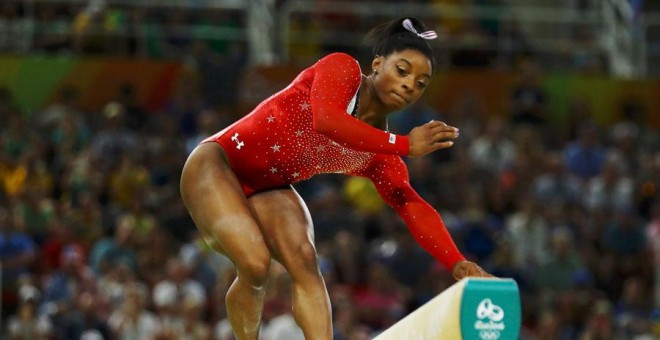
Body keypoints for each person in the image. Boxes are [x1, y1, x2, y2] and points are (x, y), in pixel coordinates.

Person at [180, 17, 492, 340]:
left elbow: (409, 203)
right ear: (376, 64)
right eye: (402, 70)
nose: (409, 85)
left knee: (305, 261)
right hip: (218, 163)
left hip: (269, 188)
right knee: (256, 265)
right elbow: (326, 120)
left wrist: (456, 262)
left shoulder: (380, 154)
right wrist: (404, 144)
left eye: (420, 82)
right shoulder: (343, 70)